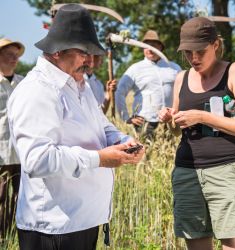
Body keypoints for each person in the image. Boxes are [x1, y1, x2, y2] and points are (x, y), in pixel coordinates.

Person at [7, 4, 144, 250]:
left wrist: (123, 141)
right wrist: (99, 159)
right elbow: (37, 160)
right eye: (83, 52)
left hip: (82, 221)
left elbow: (102, 127)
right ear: (57, 51)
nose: (90, 61)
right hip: (53, 228)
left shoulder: (79, 85)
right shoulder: (37, 91)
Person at [159, 17, 235, 250]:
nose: (193, 58)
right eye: (187, 52)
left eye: (200, 52)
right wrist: (170, 119)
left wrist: (203, 117)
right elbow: (176, 131)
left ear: (215, 45)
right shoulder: (181, 78)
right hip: (186, 172)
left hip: (226, 171)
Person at [115, 30, 181, 139]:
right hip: (144, 123)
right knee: (147, 154)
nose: (150, 49)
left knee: (171, 153)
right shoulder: (135, 69)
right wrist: (126, 118)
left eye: (154, 46)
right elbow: (120, 92)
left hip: (170, 121)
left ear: (160, 47)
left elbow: (183, 91)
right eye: (146, 46)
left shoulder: (174, 68)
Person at [0, 38, 24, 239]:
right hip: (0, 149)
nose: (15, 59)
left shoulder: (24, 83)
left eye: (17, 55)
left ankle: (12, 235)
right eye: (10, 54)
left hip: (21, 149)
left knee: (19, 197)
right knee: (0, 196)